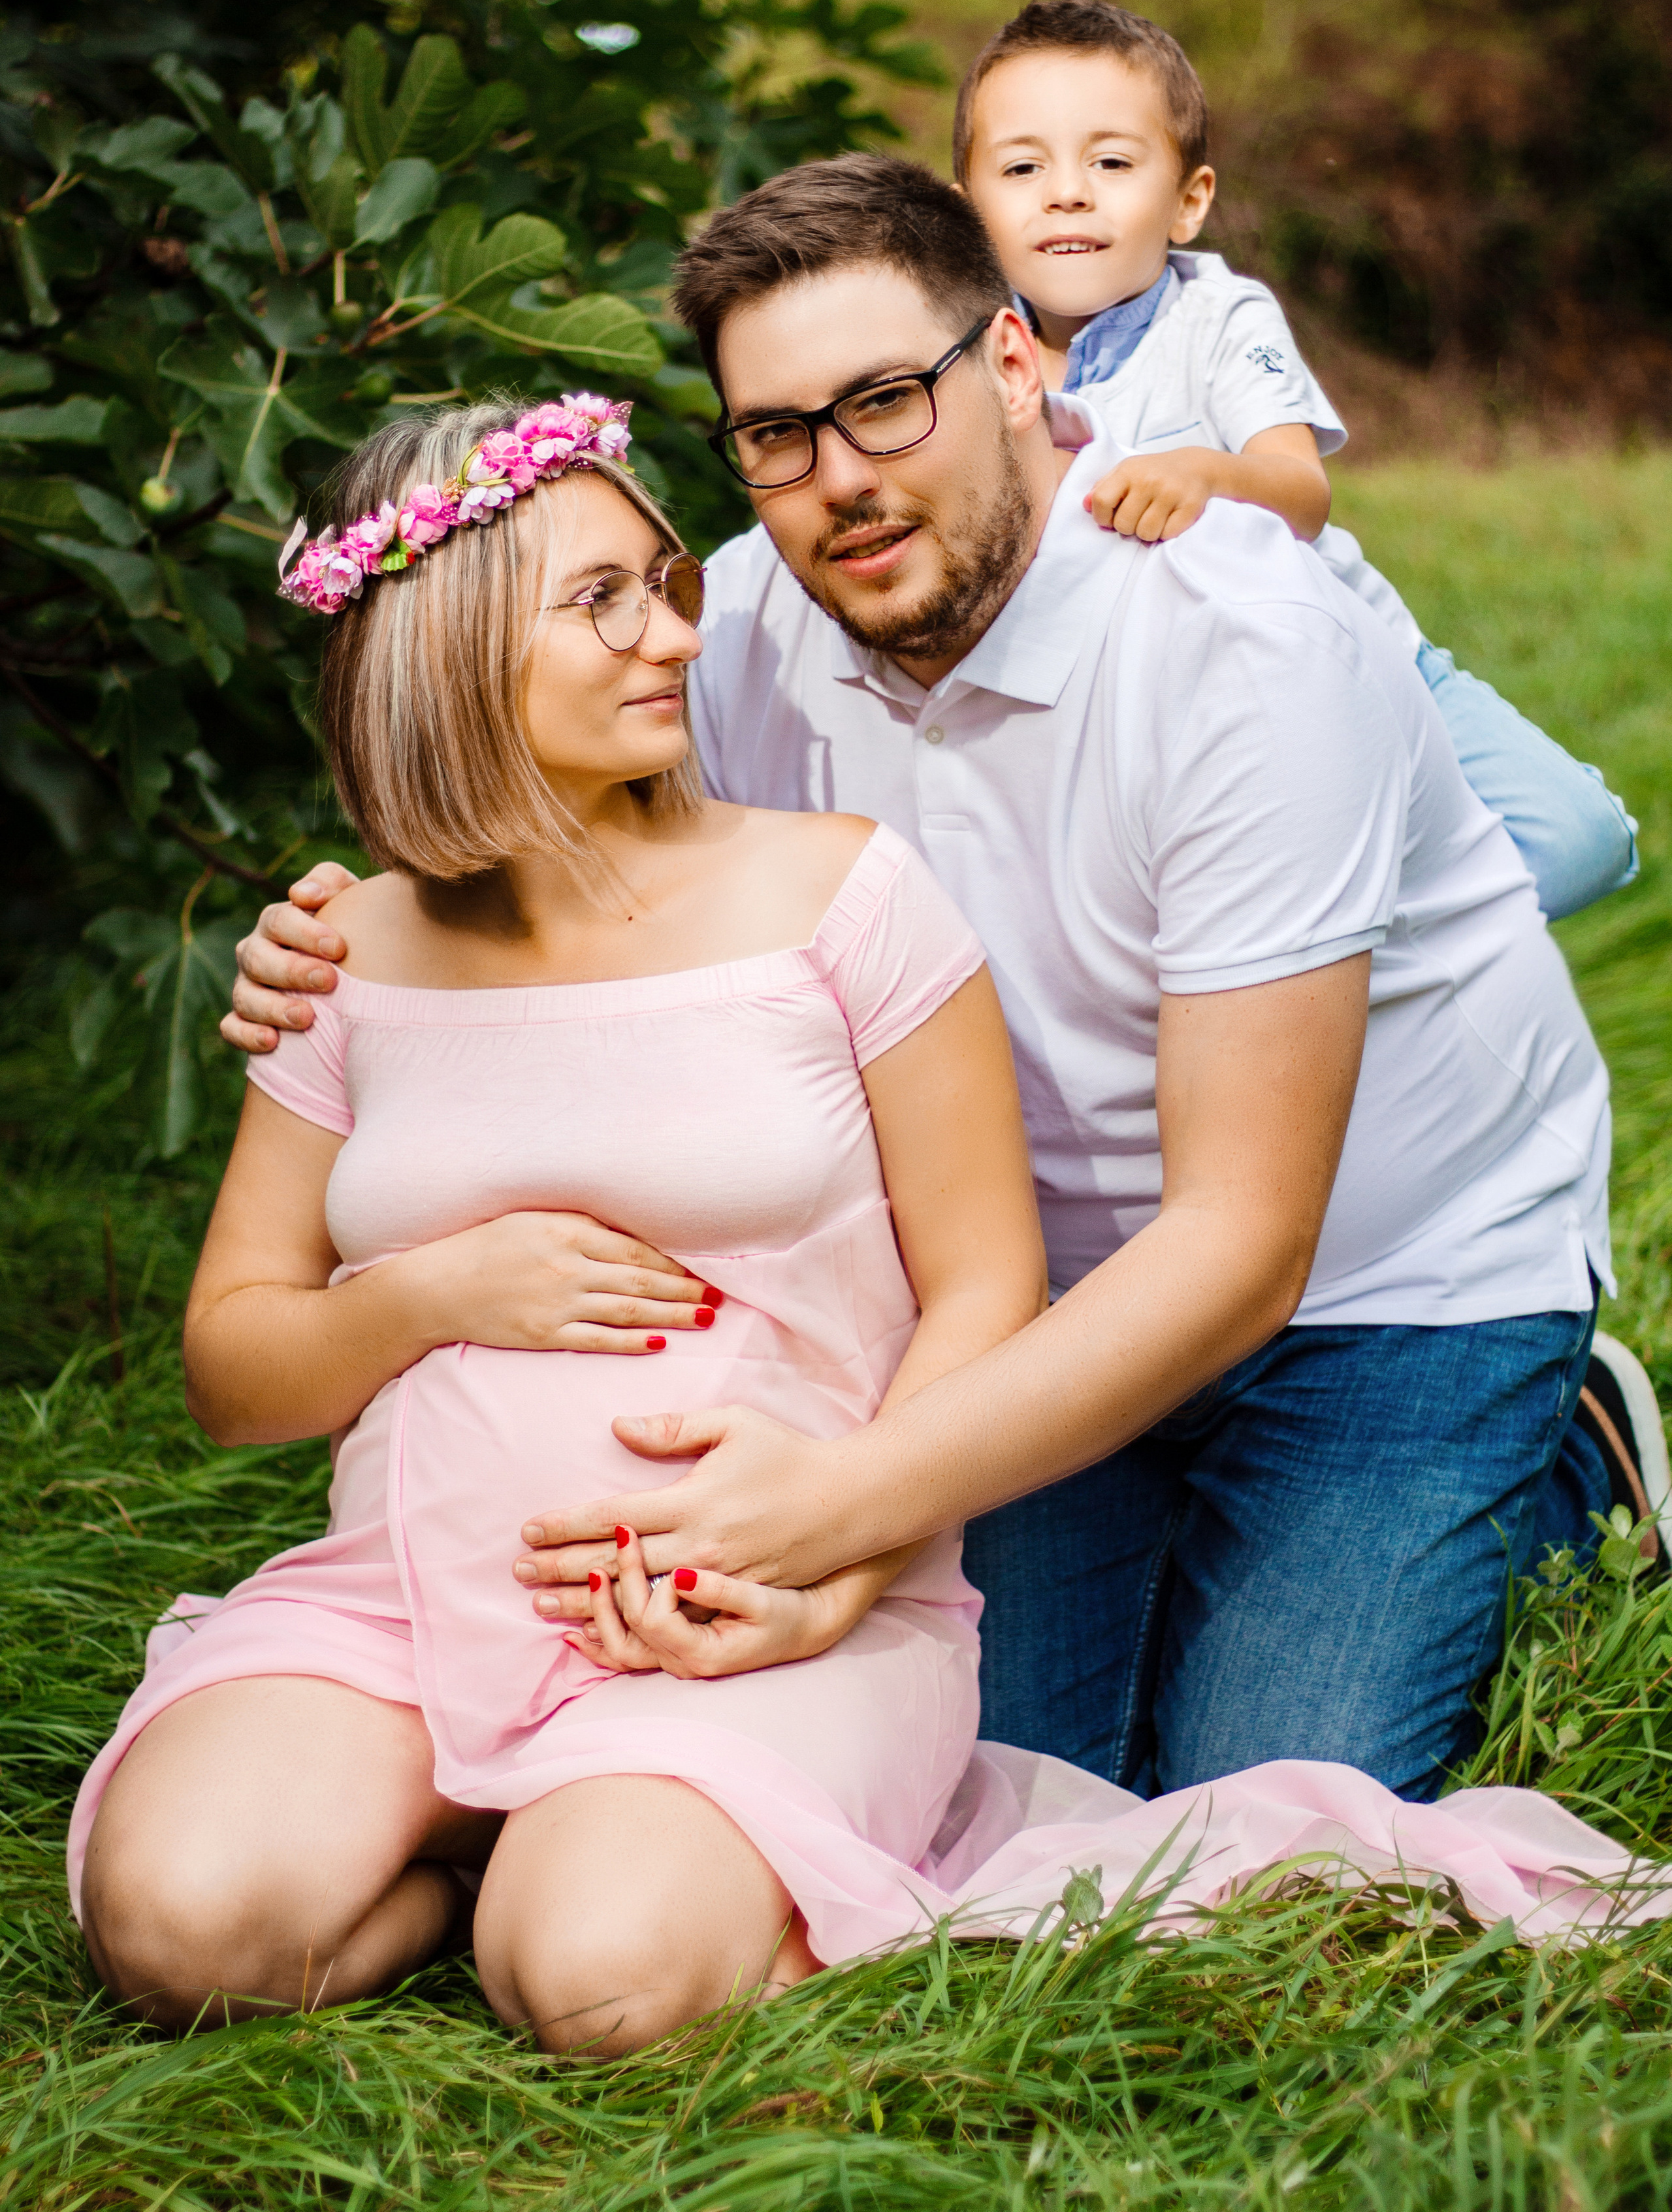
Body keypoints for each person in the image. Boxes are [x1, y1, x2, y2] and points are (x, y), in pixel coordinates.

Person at [80, 396, 1672, 2045]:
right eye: (602, 601)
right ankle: (470, 1841)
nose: (674, 636)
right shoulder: (348, 951)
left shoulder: (837, 891)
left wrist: (843, 1559)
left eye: (667, 582)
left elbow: (984, 1280)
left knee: (611, 1984)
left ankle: (594, 1863)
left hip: (776, 1591)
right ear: (453, 650)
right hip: (408, 1596)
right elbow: (233, 1363)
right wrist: (428, 1294)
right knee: (179, 1927)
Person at [223, 159, 1665, 1816]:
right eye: (777, 435)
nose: (839, 480)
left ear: (1011, 365)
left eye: (886, 402)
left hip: (1379, 1282)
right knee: (989, 1789)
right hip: (1003, 1302)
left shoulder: (1239, 646)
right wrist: (339, 931)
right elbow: (528, 810)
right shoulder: (734, 629)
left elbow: (1240, 1239)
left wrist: (846, 1510)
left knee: (1251, 1815)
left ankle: (1567, 1456)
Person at [954, 0, 1639, 925]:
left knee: (1580, 837)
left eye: (1111, 162)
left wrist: (1203, 471)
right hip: (1162, 721)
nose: (1067, 191)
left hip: (1359, 664)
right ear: (965, 215)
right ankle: (1281, 983)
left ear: (1189, 202)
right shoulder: (967, 370)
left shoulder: (1221, 317)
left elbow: (1298, 491)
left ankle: (1344, 970)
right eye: (1024, 166)